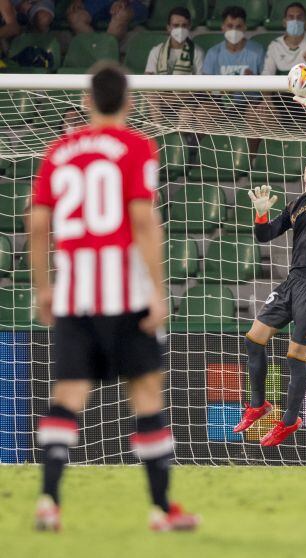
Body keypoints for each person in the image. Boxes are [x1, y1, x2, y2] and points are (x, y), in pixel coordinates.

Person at [31, 61, 199, 532]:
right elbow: (143, 221)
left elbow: (38, 224)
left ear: (87, 102)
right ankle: (163, 510)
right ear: (128, 102)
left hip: (74, 295)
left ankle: (48, 501)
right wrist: (159, 292)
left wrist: (44, 287)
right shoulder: (135, 146)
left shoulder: (59, 152)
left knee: (67, 396)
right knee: (145, 395)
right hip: (125, 293)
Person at [233, 89, 306, 447]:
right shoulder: (297, 205)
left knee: (296, 355)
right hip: (294, 280)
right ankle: (258, 405)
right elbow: (265, 235)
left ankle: (290, 421)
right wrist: (261, 211)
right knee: (254, 339)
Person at [262, 2, 306, 77]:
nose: (295, 21)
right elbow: (267, 76)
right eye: (291, 17)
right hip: (282, 88)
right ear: (284, 22)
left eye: (299, 17)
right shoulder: (274, 46)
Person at [203, 6, 264, 76]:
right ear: (223, 27)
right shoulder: (213, 53)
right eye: (230, 26)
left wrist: (253, 79)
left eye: (238, 26)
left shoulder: (257, 51)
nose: (234, 30)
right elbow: (206, 84)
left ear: (245, 28)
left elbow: (266, 83)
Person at [145, 6, 204, 75]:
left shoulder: (197, 52)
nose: (180, 29)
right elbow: (149, 80)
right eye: (176, 25)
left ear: (189, 26)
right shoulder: (156, 52)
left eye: (184, 25)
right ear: (168, 28)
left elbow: (201, 82)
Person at [67, 0, 148, 40]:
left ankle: (107, 54)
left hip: (134, 3)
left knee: (120, 13)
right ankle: (96, 50)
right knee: (75, 17)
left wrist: (124, 1)